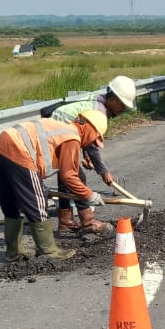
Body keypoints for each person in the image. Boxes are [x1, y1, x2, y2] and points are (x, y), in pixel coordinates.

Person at [0, 109, 109, 262]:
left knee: (13, 202)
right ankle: (48, 250)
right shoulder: (72, 137)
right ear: (89, 128)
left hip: (2, 143)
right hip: (18, 150)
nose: (93, 143)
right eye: (95, 138)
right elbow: (69, 176)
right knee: (37, 201)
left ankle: (14, 251)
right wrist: (89, 195)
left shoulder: (60, 128)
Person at [50, 75, 136, 234]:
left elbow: (84, 133)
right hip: (59, 131)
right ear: (113, 99)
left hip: (62, 131)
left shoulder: (97, 101)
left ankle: (65, 221)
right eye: (122, 105)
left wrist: (86, 154)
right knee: (75, 177)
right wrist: (103, 171)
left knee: (65, 178)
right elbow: (92, 144)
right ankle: (88, 222)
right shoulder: (99, 110)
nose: (122, 110)